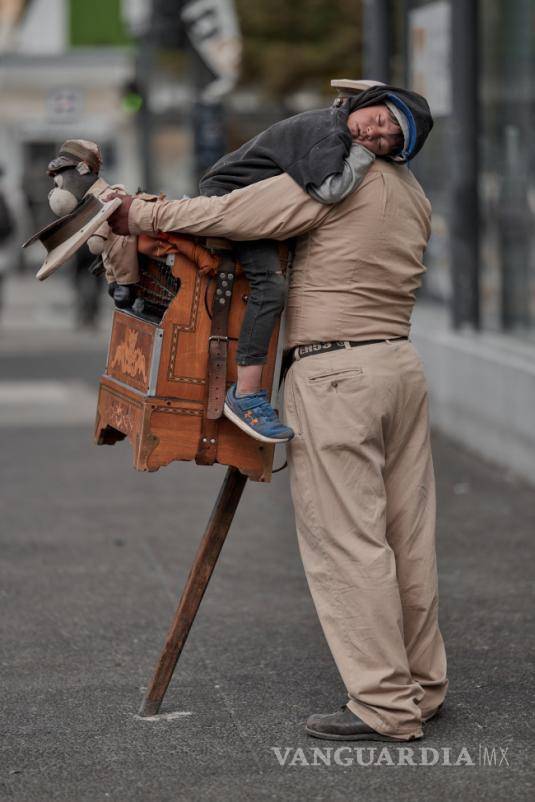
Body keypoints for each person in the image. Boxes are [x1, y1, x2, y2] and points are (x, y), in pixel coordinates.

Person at [108, 80, 448, 742]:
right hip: (398, 368)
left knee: (348, 541)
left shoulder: (336, 179)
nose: (373, 136)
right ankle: (422, 685)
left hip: (335, 373)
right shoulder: (411, 192)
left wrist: (139, 215)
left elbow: (234, 213)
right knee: (408, 538)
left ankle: (383, 704)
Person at [197, 87, 410, 444]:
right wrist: (363, 154)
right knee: (271, 286)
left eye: (385, 142)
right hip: (229, 194)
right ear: (366, 104)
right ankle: (246, 395)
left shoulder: (335, 127)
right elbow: (329, 190)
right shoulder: (330, 130)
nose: (373, 135)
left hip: (255, 199)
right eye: (377, 121)